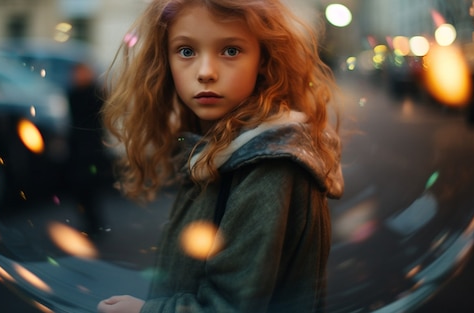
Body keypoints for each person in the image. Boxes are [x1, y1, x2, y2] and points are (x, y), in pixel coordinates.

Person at [98, 0, 344, 312]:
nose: (205, 72)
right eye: (186, 51)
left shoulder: (269, 165)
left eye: (230, 50)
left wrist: (144, 311)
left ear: (264, 60)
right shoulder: (217, 149)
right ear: (164, 60)